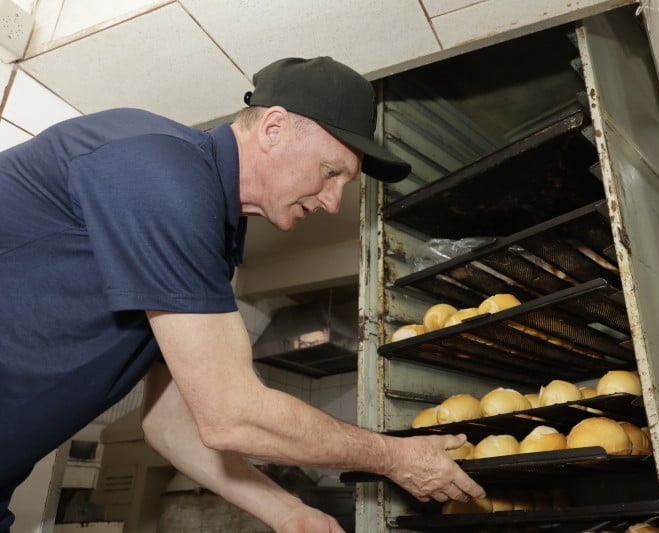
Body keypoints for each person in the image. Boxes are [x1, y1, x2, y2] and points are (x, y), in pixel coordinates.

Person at [0, 56, 484, 532]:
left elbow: (171, 424)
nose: (333, 201)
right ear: (273, 129)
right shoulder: (160, 170)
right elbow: (231, 414)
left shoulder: (214, 238)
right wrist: (392, 457)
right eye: (330, 172)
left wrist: (286, 511)